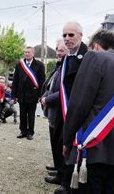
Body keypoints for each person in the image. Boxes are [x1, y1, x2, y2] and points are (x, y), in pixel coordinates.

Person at [62, 30, 114, 193]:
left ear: (96, 46)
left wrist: (67, 140)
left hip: (90, 148)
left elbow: (79, 103)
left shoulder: (95, 57)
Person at [52, 21, 89, 194]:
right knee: (63, 144)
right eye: (65, 35)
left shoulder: (87, 57)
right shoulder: (67, 57)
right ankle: (65, 180)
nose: (67, 38)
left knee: (75, 147)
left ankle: (70, 184)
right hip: (64, 110)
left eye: (71, 35)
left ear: (81, 36)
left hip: (80, 111)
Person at [40, 39, 68, 186]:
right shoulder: (59, 66)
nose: (58, 52)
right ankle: (58, 169)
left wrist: (48, 99)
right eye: (57, 49)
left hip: (59, 112)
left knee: (59, 144)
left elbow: (64, 92)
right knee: (54, 143)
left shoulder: (67, 67)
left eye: (61, 50)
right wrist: (44, 95)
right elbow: (50, 85)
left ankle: (62, 175)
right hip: (52, 111)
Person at [11, 46, 45, 140]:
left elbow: (42, 81)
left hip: (33, 94)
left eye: (28, 52)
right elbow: (15, 80)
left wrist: (41, 95)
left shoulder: (39, 65)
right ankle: (23, 131)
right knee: (22, 114)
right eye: (25, 52)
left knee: (31, 114)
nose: (26, 54)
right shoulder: (19, 65)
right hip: (21, 94)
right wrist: (14, 95)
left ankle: (30, 132)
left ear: (33, 53)